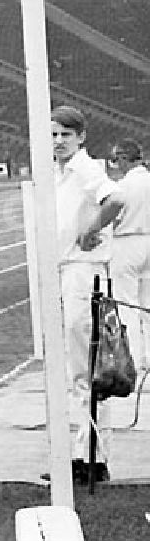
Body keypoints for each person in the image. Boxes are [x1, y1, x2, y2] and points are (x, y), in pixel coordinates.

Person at [50, 105, 118, 484]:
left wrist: (91, 231)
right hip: (64, 272)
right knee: (74, 368)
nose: (58, 142)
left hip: (81, 274)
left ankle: (92, 457)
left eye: (65, 135)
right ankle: (82, 452)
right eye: (54, 135)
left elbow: (116, 199)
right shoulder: (60, 173)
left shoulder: (85, 168)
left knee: (85, 368)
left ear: (80, 137)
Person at [78, 137, 150, 378]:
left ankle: (135, 363)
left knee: (127, 305)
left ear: (121, 159)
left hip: (127, 242)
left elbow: (113, 216)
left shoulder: (122, 187)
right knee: (148, 305)